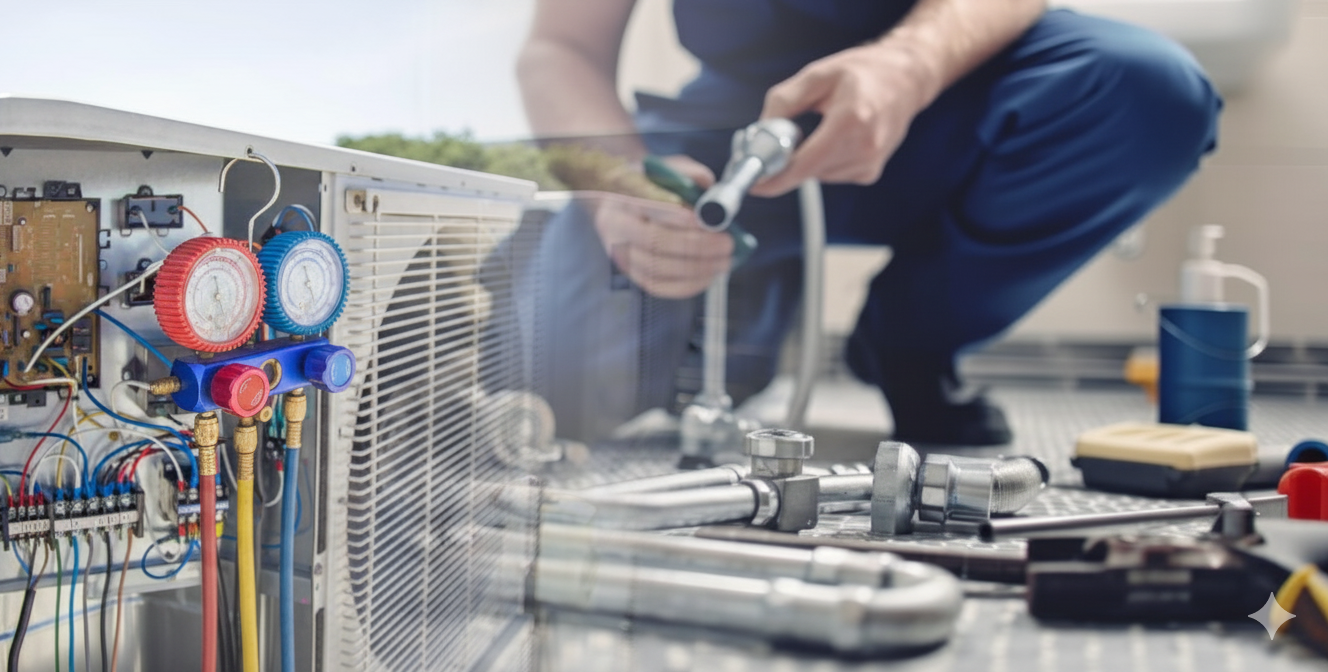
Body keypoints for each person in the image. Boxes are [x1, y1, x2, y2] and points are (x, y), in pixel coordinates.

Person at [516, 0, 1219, 446]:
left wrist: (908, 64)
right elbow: (560, 47)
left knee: (1148, 92)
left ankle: (909, 338)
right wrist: (615, 186)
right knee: (555, 378)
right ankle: (744, 311)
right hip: (731, 128)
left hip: (950, 87)